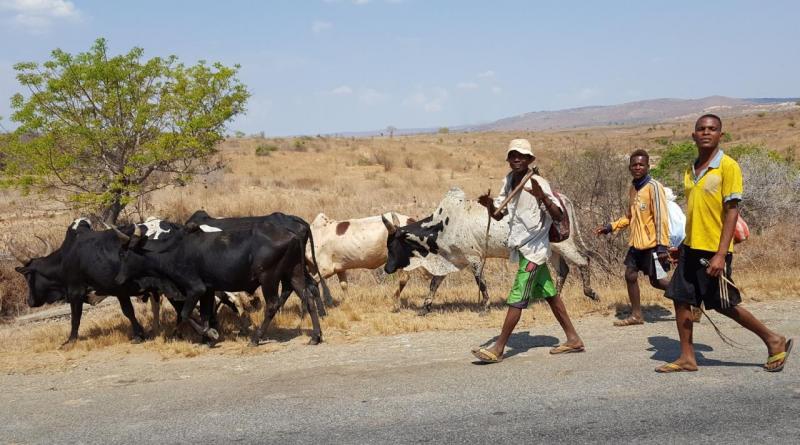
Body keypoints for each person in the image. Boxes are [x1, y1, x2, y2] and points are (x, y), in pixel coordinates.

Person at [656, 114, 793, 373]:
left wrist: (721, 254)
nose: (706, 132)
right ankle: (687, 357)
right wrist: (682, 246)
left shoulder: (728, 166)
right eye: (701, 129)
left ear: (721, 135)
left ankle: (774, 340)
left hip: (713, 250)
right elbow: (696, 211)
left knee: (723, 303)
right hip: (691, 247)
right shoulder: (690, 168)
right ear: (693, 135)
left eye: (712, 129)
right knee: (680, 298)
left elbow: (732, 211)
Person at [471, 139, 584, 363]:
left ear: (530, 159)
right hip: (522, 247)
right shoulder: (509, 180)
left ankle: (499, 348)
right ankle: (573, 339)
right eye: (513, 155)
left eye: (522, 156)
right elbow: (500, 215)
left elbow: (559, 215)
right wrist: (490, 205)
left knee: (518, 296)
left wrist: (542, 197)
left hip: (535, 250)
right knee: (550, 294)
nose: (516, 159)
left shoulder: (538, 182)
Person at [594, 149, 671, 326]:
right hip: (636, 243)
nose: (637, 167)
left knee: (658, 281)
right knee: (630, 275)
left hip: (653, 244)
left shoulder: (654, 187)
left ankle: (691, 300)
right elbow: (630, 216)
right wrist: (610, 227)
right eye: (634, 165)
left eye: (641, 164)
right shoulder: (633, 189)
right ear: (629, 167)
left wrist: (662, 246)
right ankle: (637, 315)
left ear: (647, 166)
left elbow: (661, 217)